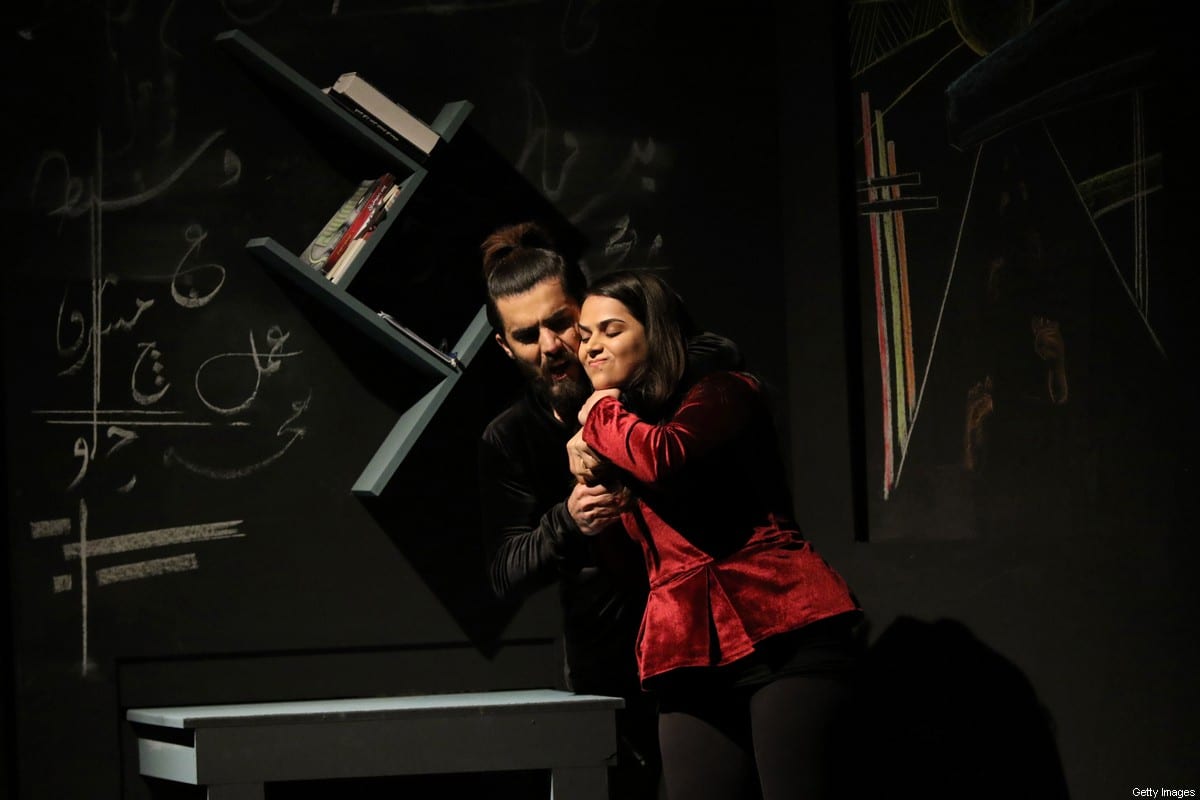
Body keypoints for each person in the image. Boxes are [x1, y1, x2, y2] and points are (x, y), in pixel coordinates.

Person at [568, 268, 864, 800]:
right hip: (686, 648)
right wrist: (591, 510)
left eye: (610, 330)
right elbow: (631, 568)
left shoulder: (725, 390)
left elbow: (666, 456)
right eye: (585, 336)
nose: (591, 347)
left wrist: (599, 415)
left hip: (782, 626)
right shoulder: (619, 434)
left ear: (655, 333)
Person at [476, 221, 743, 800]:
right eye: (526, 335)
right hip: (610, 663)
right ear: (503, 345)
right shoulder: (511, 436)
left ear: (586, 309)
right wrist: (569, 518)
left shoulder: (654, 372)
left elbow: (717, 351)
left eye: (560, 322)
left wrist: (618, 408)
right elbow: (504, 570)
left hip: (711, 628)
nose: (550, 346)